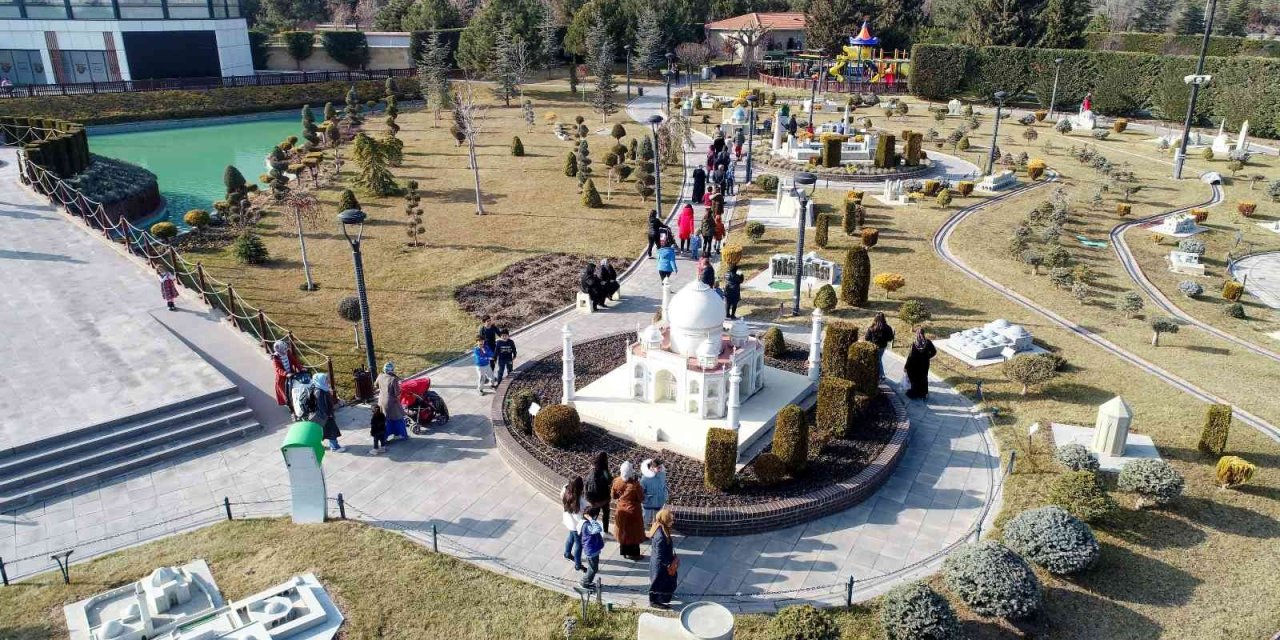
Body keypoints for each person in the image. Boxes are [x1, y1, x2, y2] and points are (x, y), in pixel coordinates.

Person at [612, 461, 646, 561]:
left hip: (621, 511)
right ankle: (634, 555)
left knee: (623, 532)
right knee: (633, 535)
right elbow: (641, 498)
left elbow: (613, 496)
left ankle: (624, 552)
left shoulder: (616, 481)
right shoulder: (635, 485)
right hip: (633, 513)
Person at [647, 508, 678, 609]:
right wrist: (668, 564)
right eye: (670, 520)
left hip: (660, 562)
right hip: (661, 565)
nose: (672, 522)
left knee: (663, 581)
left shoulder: (659, 527)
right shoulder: (661, 536)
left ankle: (663, 598)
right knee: (659, 582)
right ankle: (655, 601)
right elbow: (660, 555)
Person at [375, 361, 409, 440]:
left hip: (381, 402)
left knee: (385, 420)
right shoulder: (393, 379)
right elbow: (397, 393)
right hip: (391, 403)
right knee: (398, 418)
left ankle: (384, 438)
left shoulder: (380, 376)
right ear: (392, 370)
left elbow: (376, 385)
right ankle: (401, 435)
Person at [268, 338, 302, 415]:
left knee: (294, 392)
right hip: (282, 379)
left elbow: (294, 361)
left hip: (291, 375)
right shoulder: (275, 358)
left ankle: (296, 405)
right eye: (284, 349)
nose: (285, 350)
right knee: (286, 395)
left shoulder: (287, 353)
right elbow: (277, 369)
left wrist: (300, 368)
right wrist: (286, 374)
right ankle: (291, 407)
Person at [562, 476, 588, 572]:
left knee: (571, 537)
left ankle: (567, 554)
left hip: (568, 521)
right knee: (579, 545)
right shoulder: (580, 501)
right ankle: (578, 565)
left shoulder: (565, 490)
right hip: (576, 526)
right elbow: (580, 518)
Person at [310, 373, 342, 452]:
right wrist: (328, 415)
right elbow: (321, 406)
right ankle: (334, 447)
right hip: (325, 416)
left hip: (327, 414)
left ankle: (332, 445)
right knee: (332, 430)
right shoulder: (319, 392)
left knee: (328, 431)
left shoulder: (323, 388)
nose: (327, 380)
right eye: (325, 379)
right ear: (320, 380)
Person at [904, 328, 937, 400]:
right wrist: (928, 357)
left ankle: (915, 393)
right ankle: (923, 394)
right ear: (924, 334)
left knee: (915, 379)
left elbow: (910, 356)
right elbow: (934, 352)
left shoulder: (914, 344)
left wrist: (906, 366)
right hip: (924, 364)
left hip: (914, 364)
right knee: (923, 378)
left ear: (917, 334)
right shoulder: (928, 342)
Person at [584, 452, 613, 532]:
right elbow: (609, 480)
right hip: (604, 498)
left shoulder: (592, 469)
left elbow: (586, 483)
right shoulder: (604, 470)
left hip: (594, 499)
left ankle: (590, 531)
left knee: (594, 515)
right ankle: (605, 531)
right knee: (606, 515)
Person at [864, 312, 896, 381]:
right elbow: (890, 338)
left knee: (878, 360)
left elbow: (866, 338)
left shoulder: (872, 328)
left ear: (875, 319)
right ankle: (878, 374)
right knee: (878, 359)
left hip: (873, 346)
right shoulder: (888, 328)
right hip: (883, 347)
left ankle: (881, 375)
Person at [578, 506, 605, 588]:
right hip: (592, 551)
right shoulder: (588, 525)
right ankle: (584, 582)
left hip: (591, 550)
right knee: (593, 569)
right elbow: (598, 529)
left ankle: (586, 581)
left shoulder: (584, 522)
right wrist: (591, 519)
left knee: (592, 568)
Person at [639, 459, 668, 527]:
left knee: (657, 520)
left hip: (658, 501)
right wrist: (645, 498)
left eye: (661, 467)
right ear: (652, 467)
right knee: (645, 519)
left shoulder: (662, 474)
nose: (660, 469)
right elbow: (641, 491)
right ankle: (641, 531)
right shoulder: (644, 479)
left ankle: (655, 532)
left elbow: (663, 486)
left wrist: (664, 495)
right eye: (658, 467)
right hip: (648, 502)